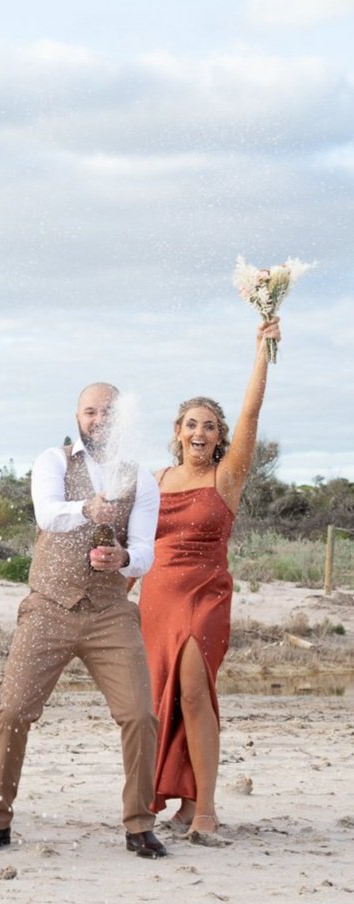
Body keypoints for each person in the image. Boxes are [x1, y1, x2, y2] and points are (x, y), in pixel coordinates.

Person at [0, 383, 167, 858]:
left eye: (107, 412)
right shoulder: (54, 461)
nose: (98, 419)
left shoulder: (143, 480)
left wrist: (124, 558)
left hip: (110, 612)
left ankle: (139, 824)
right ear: (77, 417)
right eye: (90, 411)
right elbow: (48, 514)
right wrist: (87, 508)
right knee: (12, 712)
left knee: (139, 714)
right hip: (48, 607)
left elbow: (145, 551)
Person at [141, 317, 279, 845]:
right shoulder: (155, 481)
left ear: (221, 438)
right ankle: (184, 801)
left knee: (195, 692)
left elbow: (251, 412)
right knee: (165, 698)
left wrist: (262, 349)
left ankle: (207, 811)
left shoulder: (227, 477)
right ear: (177, 432)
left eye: (210, 427)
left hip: (204, 595)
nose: (200, 434)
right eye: (191, 425)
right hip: (156, 598)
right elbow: (139, 545)